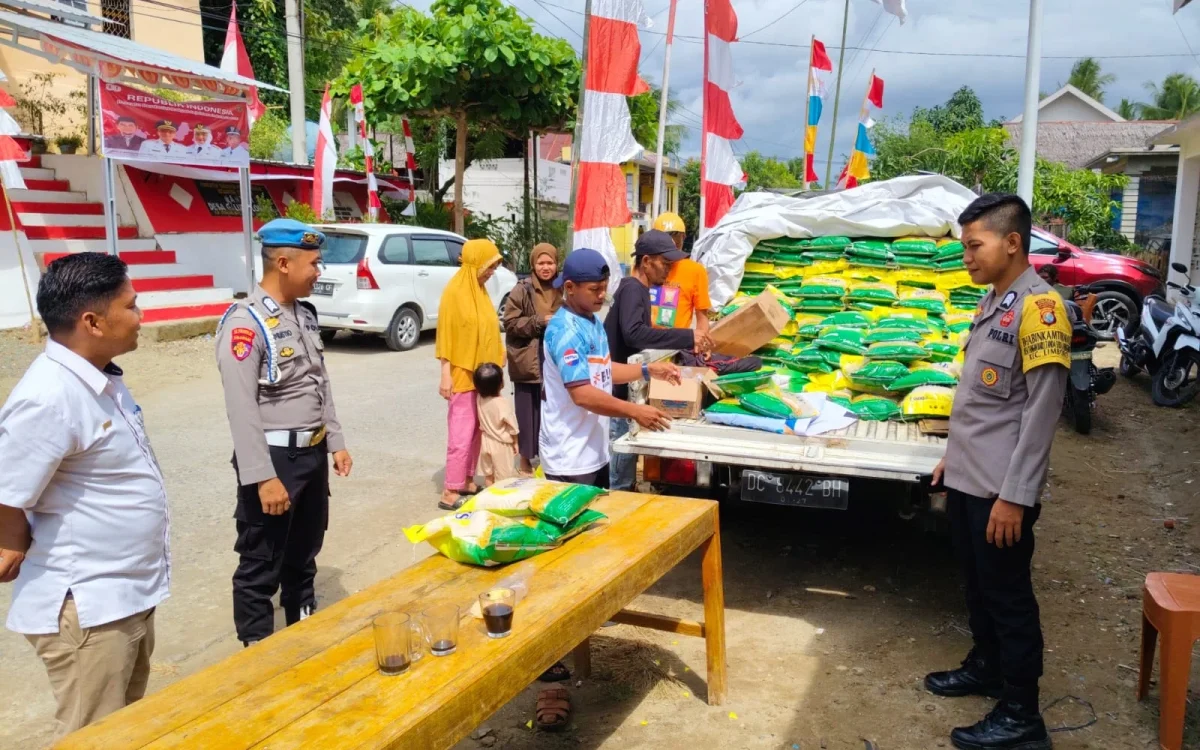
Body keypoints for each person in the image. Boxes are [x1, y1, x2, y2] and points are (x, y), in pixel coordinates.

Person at [0, 253, 168, 738]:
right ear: (92, 321)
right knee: (94, 737)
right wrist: (14, 540)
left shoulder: (97, 378)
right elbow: (5, 491)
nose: (141, 317)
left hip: (123, 597)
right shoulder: (48, 397)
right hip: (89, 607)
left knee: (123, 729)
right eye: (131, 306)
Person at [926, 194, 1070, 750]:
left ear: (1012, 242)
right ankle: (985, 666)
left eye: (974, 245)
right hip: (968, 476)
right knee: (977, 585)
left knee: (1008, 596)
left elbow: (1040, 410)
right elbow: (983, 402)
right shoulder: (994, 303)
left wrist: (1015, 495)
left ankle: (1021, 714)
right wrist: (951, 457)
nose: (966, 256)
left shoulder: (1041, 308)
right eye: (964, 246)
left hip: (999, 489)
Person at [215, 218, 353, 647]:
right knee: (261, 564)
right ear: (283, 263)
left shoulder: (305, 315)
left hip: (309, 458)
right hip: (275, 462)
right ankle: (256, 657)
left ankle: (301, 641)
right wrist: (263, 478)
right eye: (313, 263)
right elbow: (241, 411)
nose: (319, 271)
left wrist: (335, 441)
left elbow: (320, 382)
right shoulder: (245, 324)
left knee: (303, 557)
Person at [541, 247, 681, 487]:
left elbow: (603, 371)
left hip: (594, 451)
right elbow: (582, 394)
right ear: (570, 287)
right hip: (570, 458)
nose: (602, 295)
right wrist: (634, 411)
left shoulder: (591, 320)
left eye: (604, 287)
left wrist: (647, 370)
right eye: (595, 289)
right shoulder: (565, 330)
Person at [603, 229, 711, 491]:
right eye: (665, 264)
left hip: (623, 384)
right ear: (647, 261)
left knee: (625, 454)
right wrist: (686, 336)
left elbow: (643, 329)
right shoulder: (632, 288)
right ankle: (619, 502)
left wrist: (684, 337)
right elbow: (634, 334)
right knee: (621, 456)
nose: (668, 271)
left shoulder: (640, 288)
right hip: (617, 388)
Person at [436, 238, 505, 510]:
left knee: (477, 430)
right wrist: (445, 373)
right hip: (462, 373)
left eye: (495, 266)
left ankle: (466, 480)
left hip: (483, 374)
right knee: (461, 434)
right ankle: (450, 491)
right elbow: (446, 334)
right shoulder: (455, 291)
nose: (492, 272)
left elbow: (489, 328)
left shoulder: (480, 290)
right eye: (489, 265)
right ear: (475, 261)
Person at [501, 243, 562, 475]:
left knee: (552, 408)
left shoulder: (562, 287)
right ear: (533, 264)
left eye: (550, 263)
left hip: (554, 356)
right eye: (541, 263)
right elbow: (510, 323)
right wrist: (539, 322)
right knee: (527, 411)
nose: (546, 267)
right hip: (528, 357)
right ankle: (525, 460)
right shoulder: (522, 289)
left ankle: (549, 457)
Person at [650, 212, 713, 340]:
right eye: (665, 237)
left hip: (676, 345)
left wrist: (701, 343)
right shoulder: (646, 265)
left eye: (675, 236)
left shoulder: (695, 270)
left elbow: (702, 317)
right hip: (643, 342)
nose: (671, 242)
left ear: (683, 237)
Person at [474, 363, 519, 486]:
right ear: (501, 383)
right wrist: (515, 442)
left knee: (489, 475)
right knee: (504, 478)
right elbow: (513, 427)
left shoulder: (479, 398)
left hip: (485, 440)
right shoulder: (502, 403)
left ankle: (489, 498)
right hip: (501, 444)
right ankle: (503, 502)